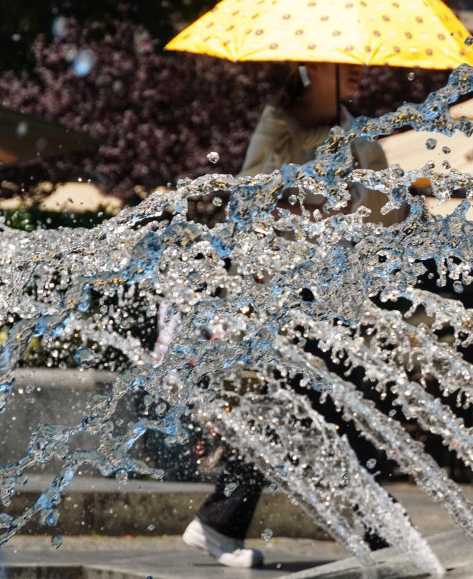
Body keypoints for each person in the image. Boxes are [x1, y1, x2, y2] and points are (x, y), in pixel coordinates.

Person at [182, 61, 393, 566]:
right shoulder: (279, 125)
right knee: (325, 406)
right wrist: (314, 212)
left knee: (323, 408)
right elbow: (250, 207)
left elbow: (383, 204)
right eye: (345, 63)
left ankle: (220, 523)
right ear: (313, 68)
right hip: (286, 294)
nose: (360, 71)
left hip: (335, 290)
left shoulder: (354, 129)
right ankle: (376, 532)